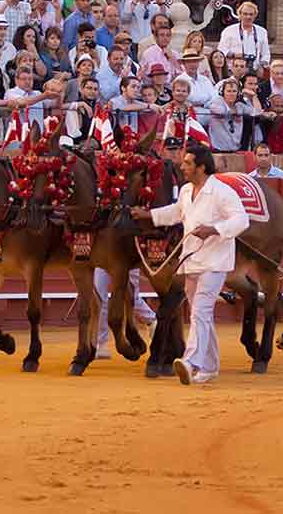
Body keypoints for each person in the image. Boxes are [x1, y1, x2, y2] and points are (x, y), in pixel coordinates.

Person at [130, 145, 249, 385]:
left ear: (201, 167)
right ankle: (210, 366)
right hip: (192, 260)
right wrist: (149, 216)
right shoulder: (186, 191)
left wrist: (215, 229)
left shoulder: (222, 192)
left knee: (200, 311)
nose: (182, 166)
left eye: (187, 163)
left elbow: (241, 219)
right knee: (201, 314)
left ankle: (191, 361)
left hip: (215, 261)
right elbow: (176, 212)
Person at [93, 267, 157, 359]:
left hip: (128, 258)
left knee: (131, 298)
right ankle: (101, 344)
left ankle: (151, 320)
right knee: (99, 297)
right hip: (102, 259)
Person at [217, 1, 271, 76]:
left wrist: (262, 66)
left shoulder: (262, 32)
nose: (248, 17)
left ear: (255, 15)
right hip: (232, 71)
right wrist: (235, 55)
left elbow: (266, 54)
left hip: (254, 71)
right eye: (245, 14)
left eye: (251, 14)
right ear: (239, 14)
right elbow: (221, 51)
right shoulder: (229, 31)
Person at [208, 79, 257, 152]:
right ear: (222, 92)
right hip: (218, 149)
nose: (231, 94)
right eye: (228, 91)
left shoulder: (239, 106)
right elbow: (218, 110)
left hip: (234, 148)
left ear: (238, 93)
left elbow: (256, 112)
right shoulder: (218, 101)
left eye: (234, 91)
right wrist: (233, 112)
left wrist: (254, 96)